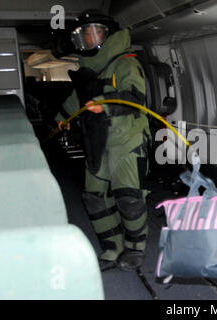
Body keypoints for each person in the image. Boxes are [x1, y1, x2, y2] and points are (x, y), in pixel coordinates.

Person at [56, 10, 151, 272]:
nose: (89, 40)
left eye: (94, 33)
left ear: (108, 34)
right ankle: (112, 247)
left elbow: (134, 98)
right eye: (84, 37)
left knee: (129, 198)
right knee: (95, 198)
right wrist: (60, 118)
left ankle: (135, 248)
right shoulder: (89, 71)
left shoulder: (126, 64)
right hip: (97, 140)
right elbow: (77, 100)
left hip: (127, 141)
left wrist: (104, 106)